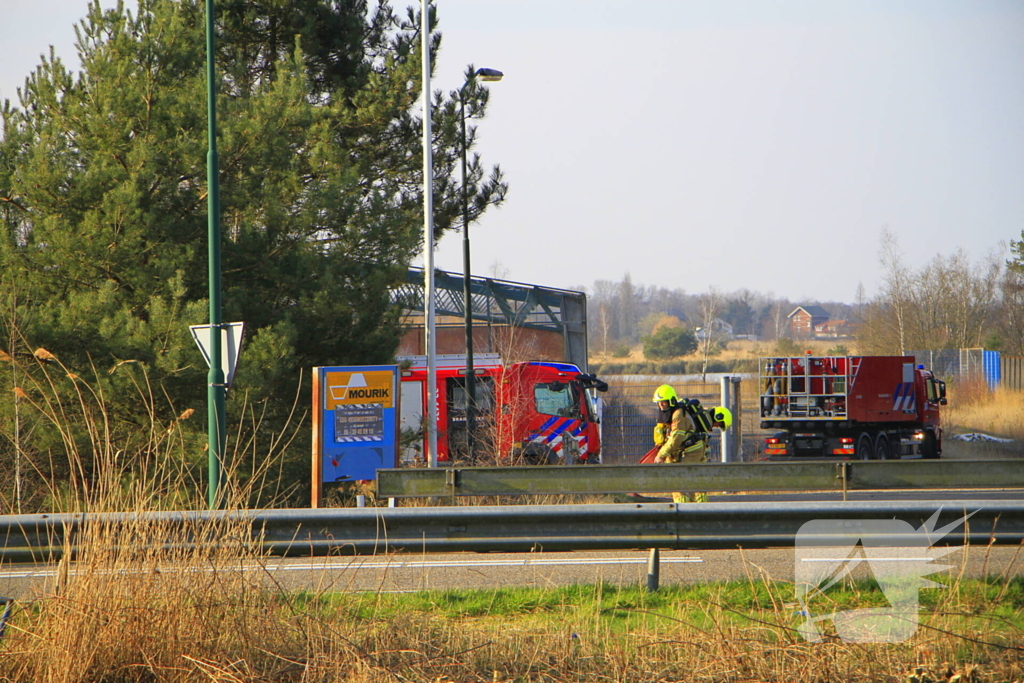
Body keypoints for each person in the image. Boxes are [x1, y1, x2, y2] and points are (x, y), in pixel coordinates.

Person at [651, 385, 733, 503]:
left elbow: (676, 437)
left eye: (663, 402)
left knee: (679, 485)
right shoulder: (674, 413)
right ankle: (701, 512)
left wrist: (662, 454)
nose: (661, 405)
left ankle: (684, 514)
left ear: (671, 401)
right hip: (690, 450)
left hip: (688, 451)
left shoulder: (678, 414)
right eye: (659, 403)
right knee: (697, 483)